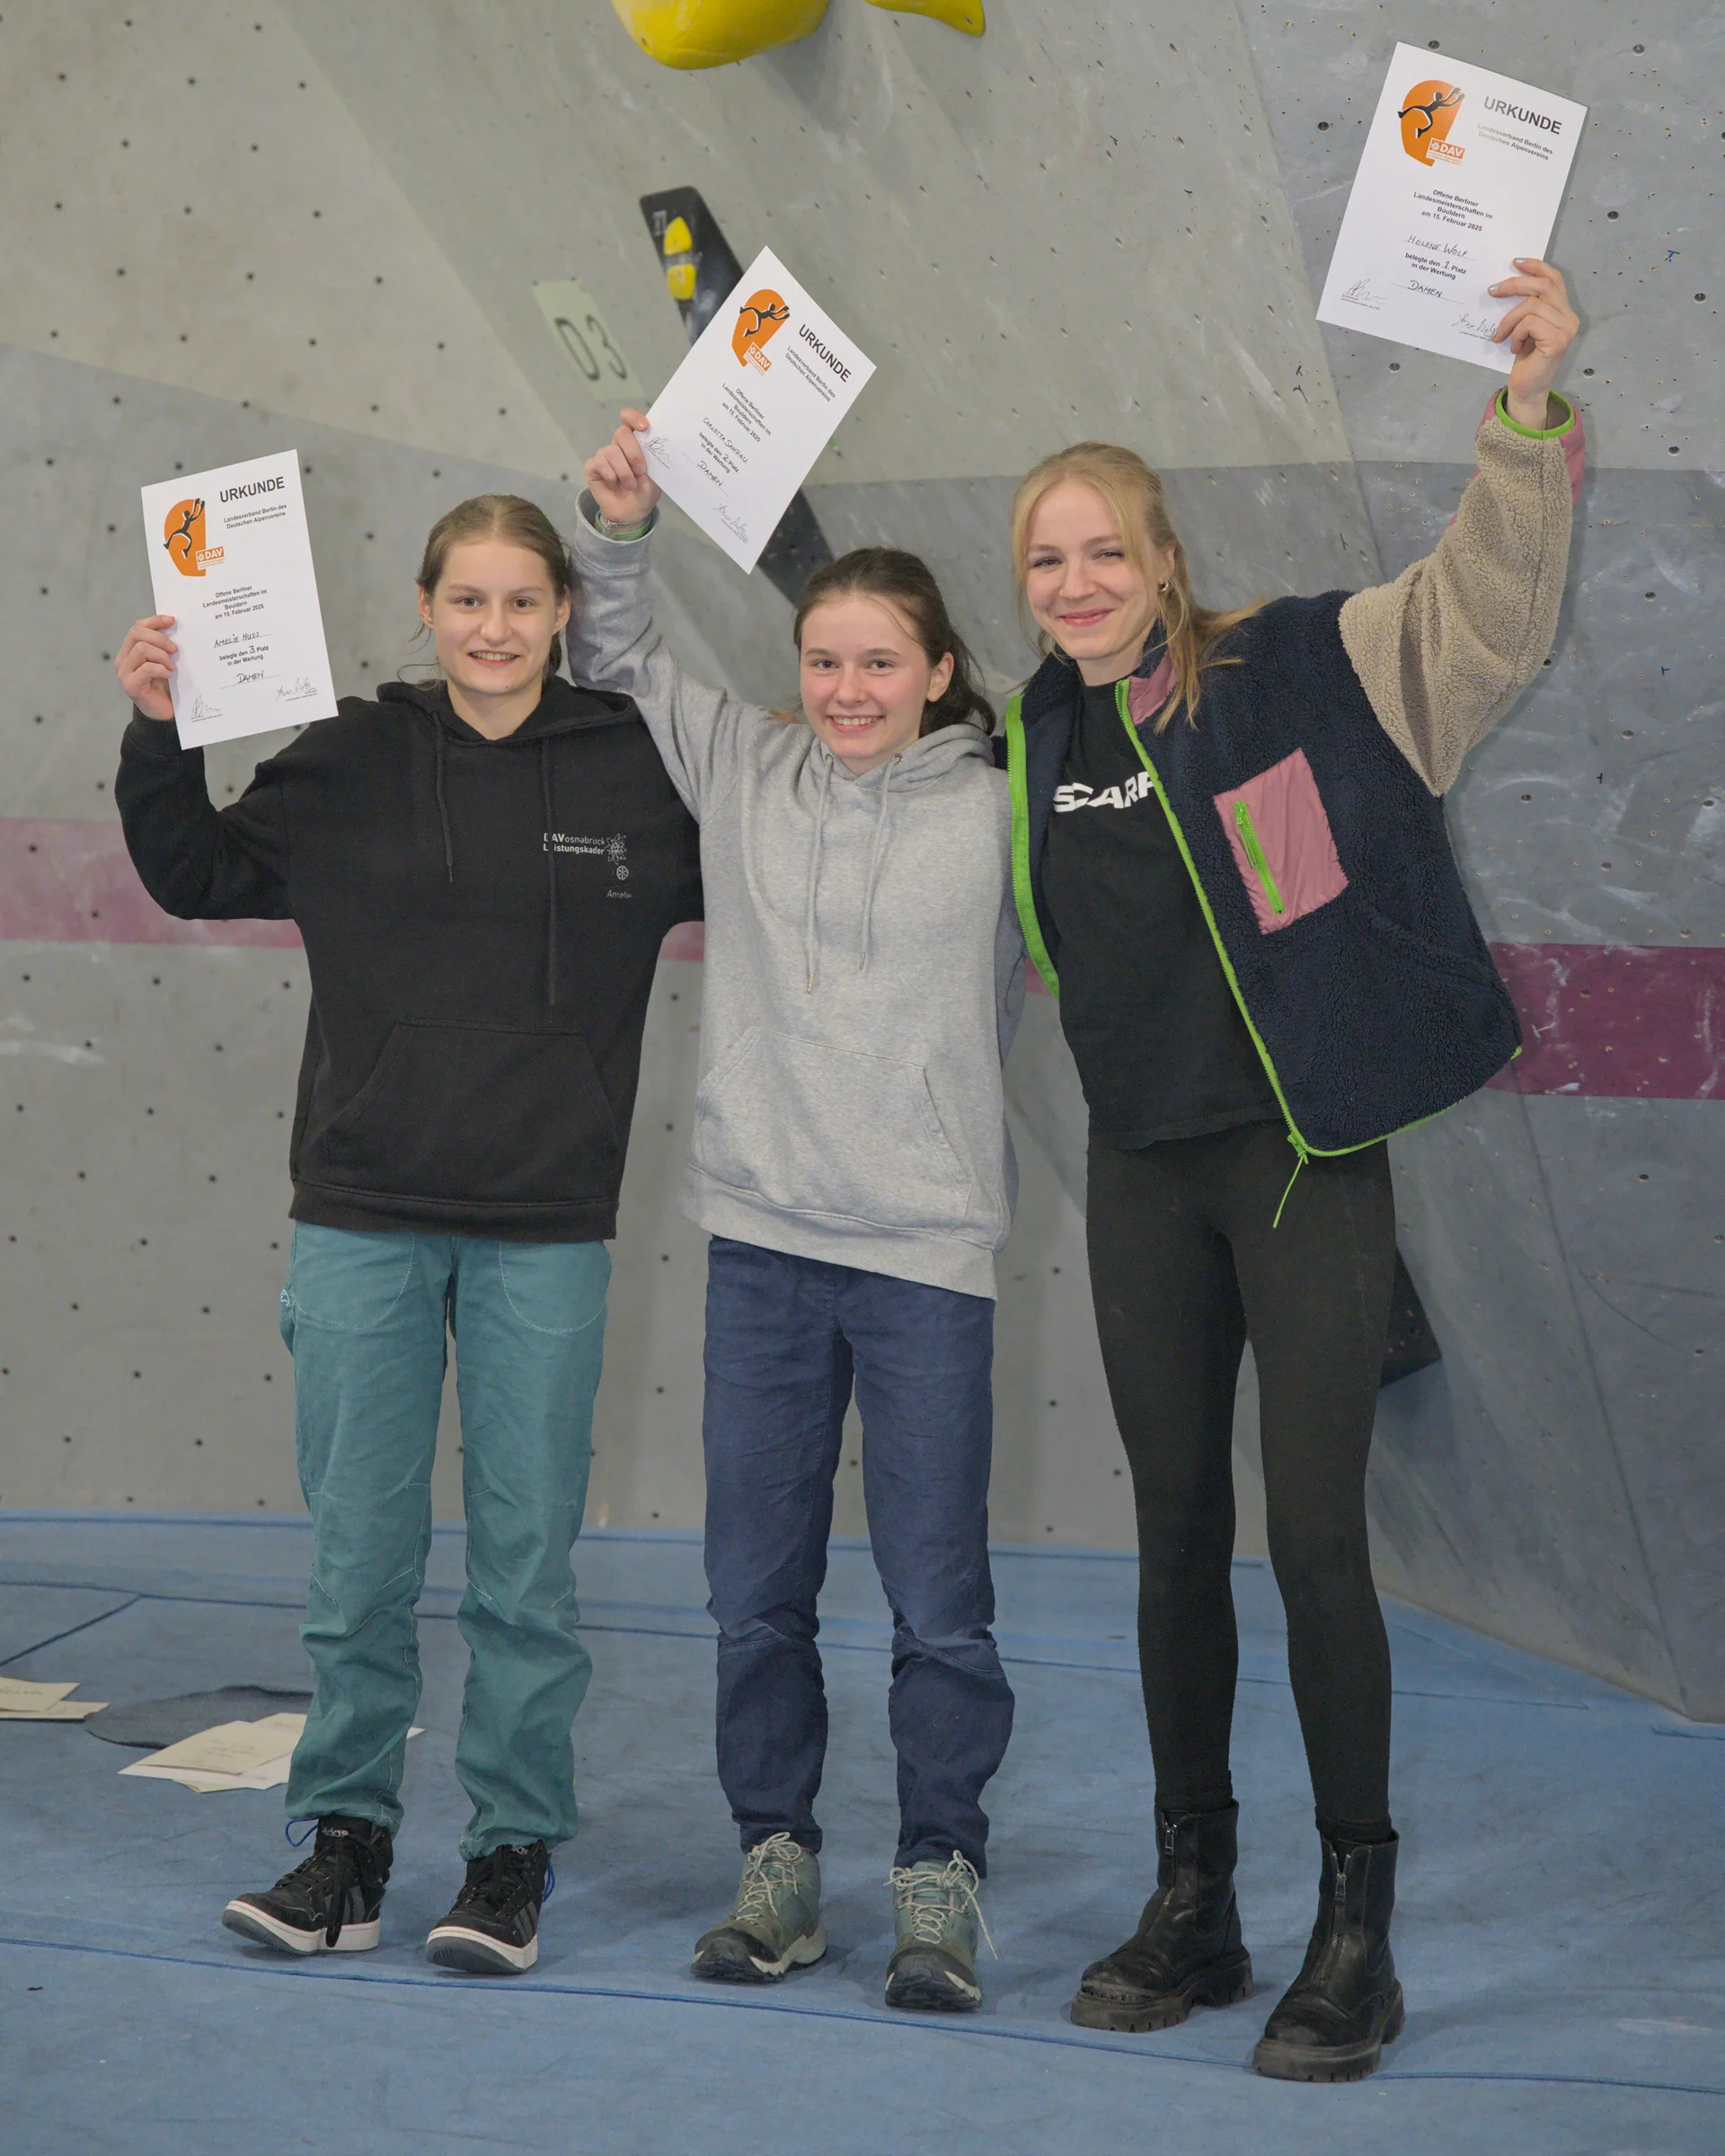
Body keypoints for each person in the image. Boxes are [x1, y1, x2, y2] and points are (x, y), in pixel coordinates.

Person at [1001, 261, 1583, 2080]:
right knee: (1176, 1546)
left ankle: (1358, 1927)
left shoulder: (1297, 672)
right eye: (1045, 560)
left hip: (1297, 1172)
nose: (1078, 585)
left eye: (1106, 552)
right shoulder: (1037, 735)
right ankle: (1199, 1901)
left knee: (1318, 1546)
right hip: (1138, 1182)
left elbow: (1485, 616)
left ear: (1163, 561)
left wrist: (1529, 419)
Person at [113, 492, 701, 1975]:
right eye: (467, 602)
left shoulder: (638, 767)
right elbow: (195, 872)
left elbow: (786, 861)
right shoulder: (351, 757)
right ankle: (347, 1848)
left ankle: (507, 1856)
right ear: (426, 608)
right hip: (366, 1217)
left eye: (521, 601)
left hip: (547, 1228)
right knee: (359, 1566)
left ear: (564, 610)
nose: (493, 628)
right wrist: (160, 724)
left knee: (525, 1574)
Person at [574, 411, 1024, 2012]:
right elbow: (617, 652)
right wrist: (618, 521)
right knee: (754, 1592)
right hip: (763, 1246)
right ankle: (778, 1868)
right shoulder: (744, 764)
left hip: (922, 1258)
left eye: (879, 663)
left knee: (938, 1602)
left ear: (941, 672)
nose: (846, 689)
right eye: (823, 660)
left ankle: (937, 1878)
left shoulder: (1001, 804)